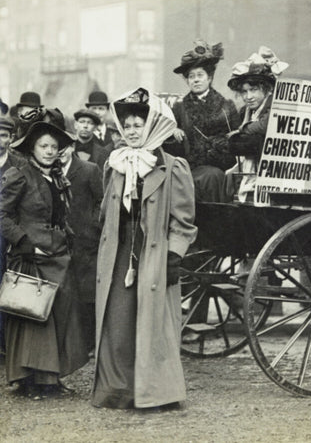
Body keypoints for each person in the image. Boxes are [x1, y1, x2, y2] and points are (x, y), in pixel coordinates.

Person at [92, 87, 197, 409]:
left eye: (139, 124)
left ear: (152, 125)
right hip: (121, 252)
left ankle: (158, 393)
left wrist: (173, 256)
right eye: (129, 126)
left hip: (155, 253)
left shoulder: (172, 166)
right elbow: (104, 212)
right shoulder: (116, 164)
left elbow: (185, 220)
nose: (133, 131)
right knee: (118, 322)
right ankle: (119, 390)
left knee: (154, 324)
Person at [0, 121, 88, 398]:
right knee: (34, 318)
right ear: (32, 148)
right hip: (31, 255)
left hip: (58, 254)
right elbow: (1, 214)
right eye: (44, 146)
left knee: (57, 315)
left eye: (54, 147)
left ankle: (51, 378)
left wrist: (68, 238)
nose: (50, 151)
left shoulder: (58, 177)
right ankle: (29, 381)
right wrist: (23, 242)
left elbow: (60, 216)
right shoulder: (19, 174)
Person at [165, 39, 241, 202]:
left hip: (223, 167)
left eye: (200, 75)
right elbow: (168, 145)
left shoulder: (226, 107)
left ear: (210, 78)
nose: (195, 80)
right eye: (191, 77)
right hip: (190, 169)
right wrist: (172, 130)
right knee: (205, 178)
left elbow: (237, 140)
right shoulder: (179, 108)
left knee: (214, 177)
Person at [226, 47, 288, 202]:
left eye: (253, 90)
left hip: (275, 171)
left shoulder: (275, 105)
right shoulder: (245, 112)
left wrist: (243, 131)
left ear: (266, 89)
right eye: (244, 92)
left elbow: (266, 125)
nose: (248, 96)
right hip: (251, 168)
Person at [59, 143, 103, 354]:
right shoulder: (49, 171)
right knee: (65, 289)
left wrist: (92, 227)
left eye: (63, 147)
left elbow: (101, 201)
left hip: (86, 241)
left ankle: (89, 342)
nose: (59, 152)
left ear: (72, 147)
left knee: (87, 292)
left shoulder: (89, 169)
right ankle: (67, 341)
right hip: (60, 241)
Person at [0, 116, 27, 358]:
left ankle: (6, 343)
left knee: (8, 286)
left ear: (10, 139)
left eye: (3, 135)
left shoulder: (18, 165)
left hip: (7, 236)